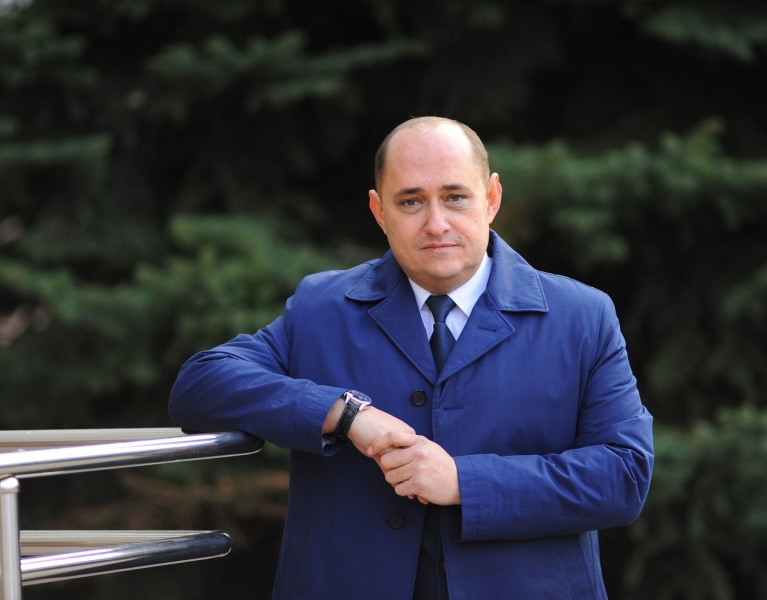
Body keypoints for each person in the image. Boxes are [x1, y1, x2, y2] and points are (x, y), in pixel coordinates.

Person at [169, 116, 654, 599]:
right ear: (379, 211)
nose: (436, 224)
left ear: (491, 198)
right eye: (411, 202)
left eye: (455, 197)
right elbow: (200, 383)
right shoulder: (321, 308)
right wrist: (345, 414)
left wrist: (463, 482)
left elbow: (625, 475)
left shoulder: (582, 316)